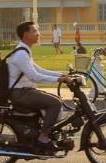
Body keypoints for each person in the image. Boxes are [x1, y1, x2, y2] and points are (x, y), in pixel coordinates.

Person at [9, 21, 72, 152]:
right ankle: (43, 138)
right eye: (35, 31)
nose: (38, 34)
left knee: (56, 100)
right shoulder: (21, 54)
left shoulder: (24, 51)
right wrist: (59, 79)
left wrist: (61, 75)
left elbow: (39, 70)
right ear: (26, 34)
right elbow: (34, 76)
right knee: (55, 103)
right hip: (20, 93)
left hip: (25, 91)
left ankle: (41, 132)